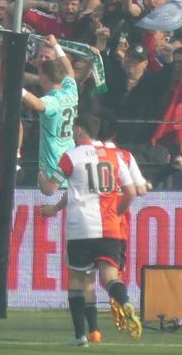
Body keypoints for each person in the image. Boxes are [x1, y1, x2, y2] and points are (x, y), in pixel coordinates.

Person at [36, 113, 141, 346]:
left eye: (74, 129)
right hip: (110, 228)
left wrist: (42, 178)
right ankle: (124, 301)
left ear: (80, 130)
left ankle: (80, 335)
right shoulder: (114, 156)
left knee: (78, 279)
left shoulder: (71, 156)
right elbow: (132, 191)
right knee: (109, 277)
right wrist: (118, 212)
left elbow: (51, 188)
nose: (73, 133)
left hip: (81, 228)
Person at [20, 38, 79, 185]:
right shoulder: (71, 90)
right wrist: (56, 46)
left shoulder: (53, 100)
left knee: (50, 205)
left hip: (53, 168)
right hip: (70, 162)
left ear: (44, 78)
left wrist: (18, 89)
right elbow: (69, 70)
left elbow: (38, 104)